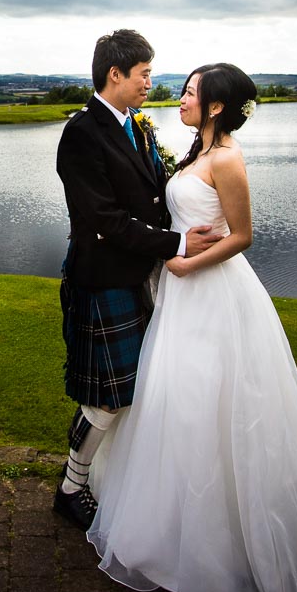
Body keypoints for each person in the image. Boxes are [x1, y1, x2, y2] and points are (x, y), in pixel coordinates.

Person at [87, 63, 297, 592]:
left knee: (214, 405)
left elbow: (242, 235)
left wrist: (186, 264)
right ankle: (174, 531)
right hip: (181, 297)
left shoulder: (228, 158)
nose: (179, 98)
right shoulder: (197, 152)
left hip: (213, 294)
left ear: (215, 106)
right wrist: (167, 250)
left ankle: (228, 546)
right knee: (178, 405)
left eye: (190, 92)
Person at [53, 30, 221, 531]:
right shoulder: (82, 133)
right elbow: (105, 219)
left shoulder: (136, 126)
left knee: (134, 387)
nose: (151, 82)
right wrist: (177, 243)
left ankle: (110, 481)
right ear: (115, 74)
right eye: (144, 74)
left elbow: (153, 196)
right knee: (106, 398)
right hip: (103, 279)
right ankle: (70, 489)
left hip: (140, 275)